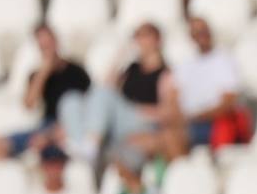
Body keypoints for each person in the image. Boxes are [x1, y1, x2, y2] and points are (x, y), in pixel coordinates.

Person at [58, 23, 174, 166]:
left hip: (141, 120)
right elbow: (105, 86)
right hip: (120, 118)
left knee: (103, 95)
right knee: (71, 99)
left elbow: (167, 112)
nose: (140, 41)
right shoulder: (132, 69)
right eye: (137, 36)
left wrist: (137, 109)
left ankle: (89, 144)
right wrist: (120, 58)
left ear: (157, 40)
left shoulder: (165, 73)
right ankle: (82, 144)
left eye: (145, 35)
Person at [0, 26, 91, 159]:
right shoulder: (36, 74)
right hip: (45, 126)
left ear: (56, 42)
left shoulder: (76, 71)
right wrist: (44, 71)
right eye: (43, 46)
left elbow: (90, 105)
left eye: (49, 43)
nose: (47, 49)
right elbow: (29, 104)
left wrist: (57, 131)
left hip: (72, 126)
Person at [171, 18, 247, 152]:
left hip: (212, 123)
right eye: (197, 32)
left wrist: (196, 117)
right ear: (191, 36)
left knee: (172, 139)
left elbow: (228, 103)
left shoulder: (224, 60)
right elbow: (174, 98)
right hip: (188, 122)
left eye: (204, 31)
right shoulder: (185, 64)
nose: (202, 35)